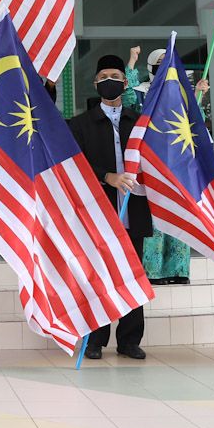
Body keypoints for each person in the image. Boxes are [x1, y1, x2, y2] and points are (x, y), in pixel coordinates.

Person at [67, 54, 150, 361]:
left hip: (132, 210)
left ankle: (129, 340)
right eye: (103, 78)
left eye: (114, 76)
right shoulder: (80, 124)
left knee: (131, 276)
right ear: (95, 83)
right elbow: (75, 166)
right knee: (97, 276)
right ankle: (94, 340)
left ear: (125, 82)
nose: (109, 82)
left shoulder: (139, 123)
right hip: (97, 214)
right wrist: (108, 177)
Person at [123, 46, 210, 286]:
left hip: (178, 164)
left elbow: (195, 123)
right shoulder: (141, 92)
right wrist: (132, 61)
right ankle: (153, 271)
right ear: (151, 66)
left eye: (168, 61)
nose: (165, 65)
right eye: (160, 61)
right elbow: (128, 98)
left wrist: (197, 96)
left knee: (178, 213)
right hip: (152, 163)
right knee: (156, 216)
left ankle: (178, 269)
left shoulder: (180, 94)